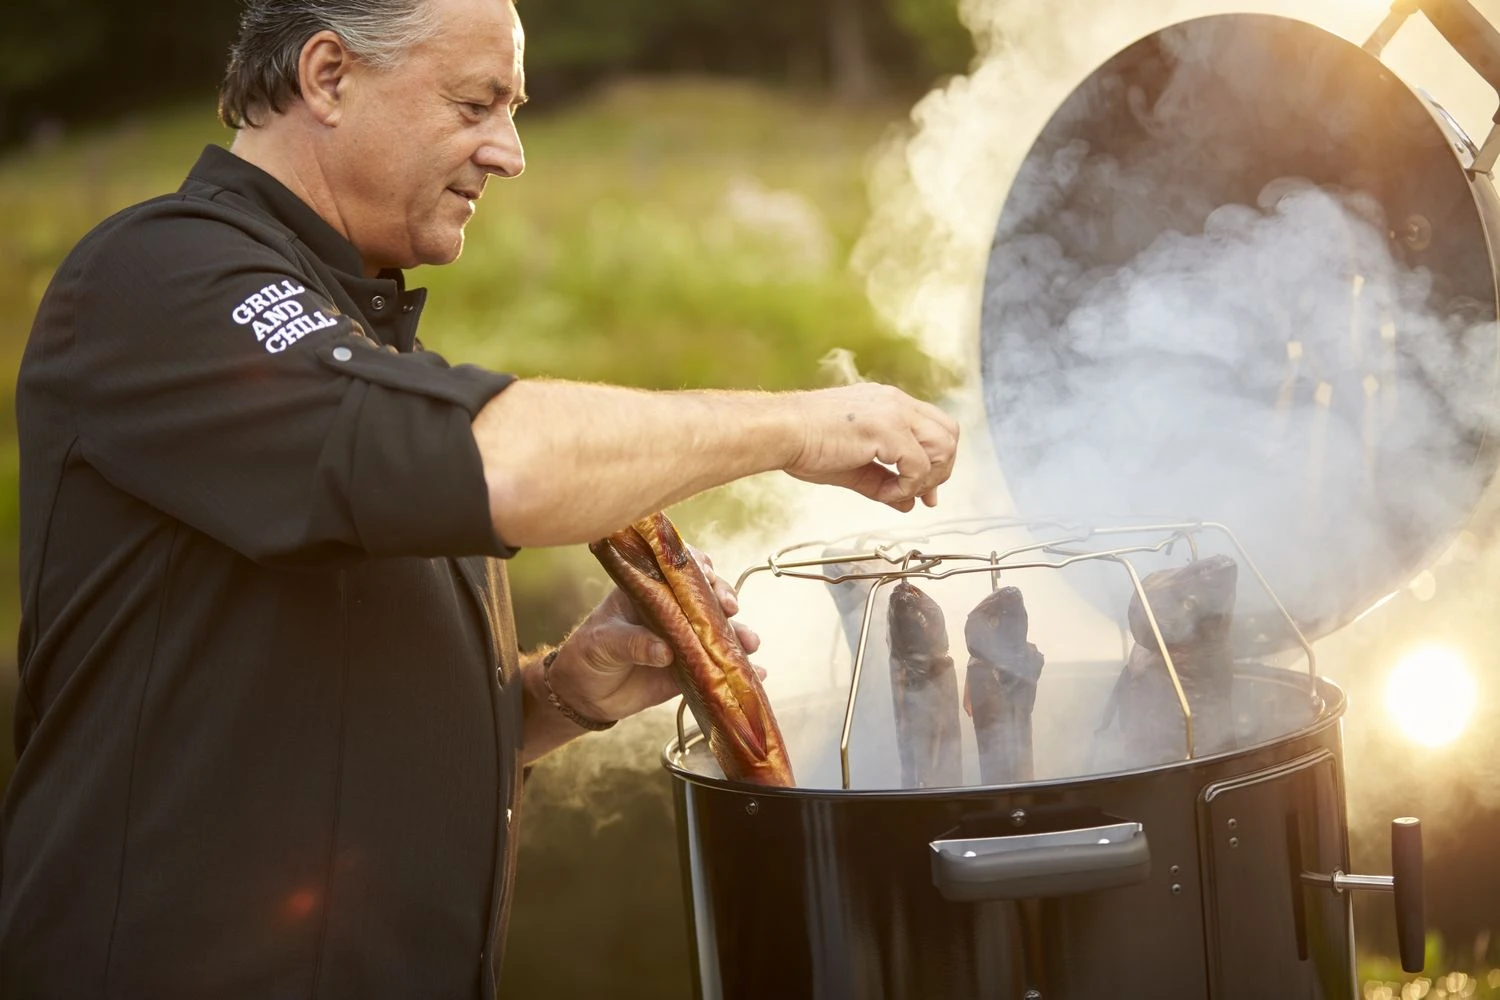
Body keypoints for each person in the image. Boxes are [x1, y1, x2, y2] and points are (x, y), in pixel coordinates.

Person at [0, 0, 959, 996]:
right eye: (476, 103)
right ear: (327, 76)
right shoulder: (161, 277)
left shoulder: (358, 342)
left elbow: (326, 725)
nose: (509, 152)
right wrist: (801, 427)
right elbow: (509, 467)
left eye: (515, 108)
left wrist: (557, 697)